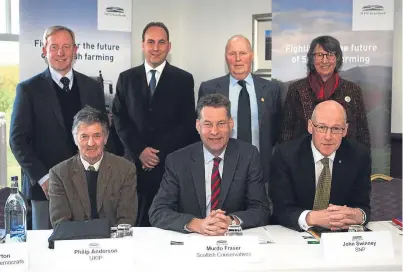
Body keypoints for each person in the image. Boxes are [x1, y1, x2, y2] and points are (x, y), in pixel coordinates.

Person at [9, 25, 106, 230]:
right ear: (44, 51)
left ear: (75, 50)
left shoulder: (92, 87)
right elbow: (18, 141)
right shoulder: (28, 89)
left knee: (85, 250)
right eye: (54, 47)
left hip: (88, 186)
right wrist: (44, 179)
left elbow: (103, 134)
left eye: (66, 46)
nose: (60, 53)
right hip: (46, 190)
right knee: (45, 252)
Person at [112, 22, 198, 227]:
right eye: (151, 42)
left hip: (168, 167)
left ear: (169, 46)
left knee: (166, 224)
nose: (156, 47)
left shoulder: (184, 79)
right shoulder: (126, 78)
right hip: (133, 166)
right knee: (133, 224)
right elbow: (119, 117)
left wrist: (158, 154)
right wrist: (139, 150)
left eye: (161, 42)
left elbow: (186, 123)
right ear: (142, 45)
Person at [149, 94, 271, 234]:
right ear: (198, 126)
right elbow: (158, 211)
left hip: (233, 243)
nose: (214, 131)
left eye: (221, 123)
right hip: (192, 243)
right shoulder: (178, 160)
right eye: (207, 124)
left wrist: (230, 221)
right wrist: (196, 224)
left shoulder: (248, 155)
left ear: (231, 124)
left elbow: (261, 210)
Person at [270, 100, 371, 231]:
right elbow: (280, 210)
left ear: (345, 130)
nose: (328, 137)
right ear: (310, 127)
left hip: (339, 236)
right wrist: (312, 218)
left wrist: (358, 215)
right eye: (322, 127)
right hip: (293, 234)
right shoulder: (286, 155)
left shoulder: (359, 155)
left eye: (336, 128)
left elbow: (363, 206)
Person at [198, 35, 281, 191]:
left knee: (261, 212)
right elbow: (203, 129)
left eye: (242, 53)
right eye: (232, 54)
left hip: (261, 171)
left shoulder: (270, 89)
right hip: (221, 168)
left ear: (251, 56)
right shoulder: (209, 88)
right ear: (226, 57)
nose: (237, 59)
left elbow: (276, 130)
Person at [48, 106, 137, 228]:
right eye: (84, 137)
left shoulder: (126, 169)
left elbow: (126, 219)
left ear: (105, 139)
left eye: (96, 136)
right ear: (75, 140)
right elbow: (60, 223)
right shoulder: (58, 174)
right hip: (75, 242)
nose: (91, 143)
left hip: (114, 242)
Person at [279, 35, 370, 148]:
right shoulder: (296, 89)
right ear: (312, 58)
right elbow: (286, 133)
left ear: (337, 58)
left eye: (330, 55)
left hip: (344, 160)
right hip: (303, 160)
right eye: (320, 55)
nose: (325, 60)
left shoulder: (352, 90)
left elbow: (362, 134)